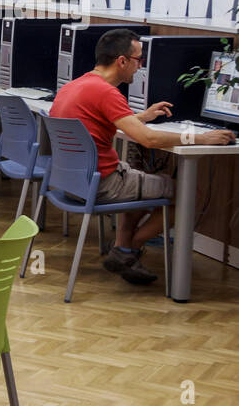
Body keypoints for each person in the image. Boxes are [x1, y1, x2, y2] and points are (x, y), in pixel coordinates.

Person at [50, 28, 235, 285]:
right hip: (103, 184)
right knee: (190, 194)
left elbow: (94, 121)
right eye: (139, 60)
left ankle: (123, 248)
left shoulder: (75, 86)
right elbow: (148, 139)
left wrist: (140, 118)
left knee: (145, 179)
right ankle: (130, 249)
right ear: (122, 61)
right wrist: (202, 138)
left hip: (72, 183)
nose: (140, 67)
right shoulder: (106, 92)